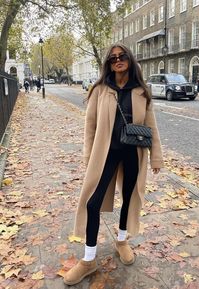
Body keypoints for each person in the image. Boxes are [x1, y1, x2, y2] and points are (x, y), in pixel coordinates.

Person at [63, 43, 164, 286]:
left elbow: (151, 127)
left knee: (129, 198)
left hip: (133, 153)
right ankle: (88, 259)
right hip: (105, 154)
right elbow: (90, 127)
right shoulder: (100, 89)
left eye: (122, 56)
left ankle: (121, 240)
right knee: (93, 202)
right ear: (108, 64)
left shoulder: (141, 90)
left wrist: (156, 157)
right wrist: (88, 157)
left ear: (130, 59)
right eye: (113, 58)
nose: (118, 60)